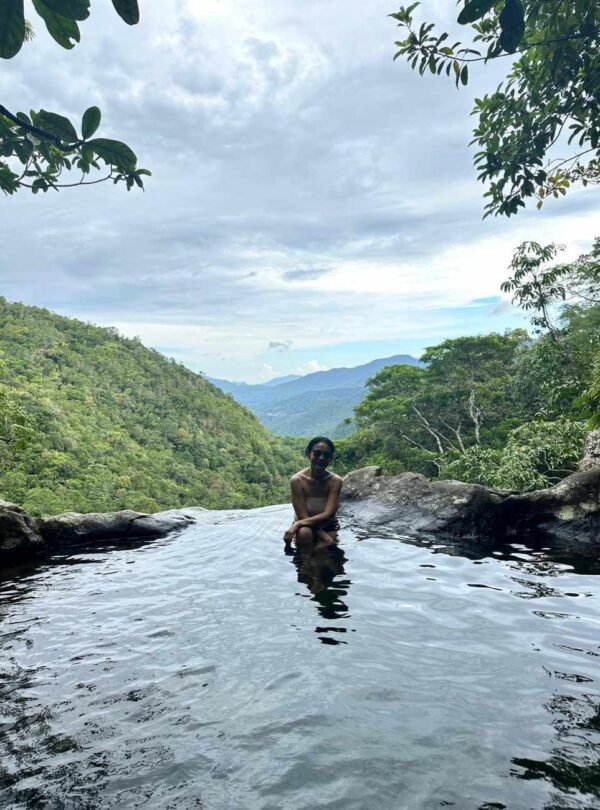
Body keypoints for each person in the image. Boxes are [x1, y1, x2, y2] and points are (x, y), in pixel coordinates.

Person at [283, 436, 343, 551]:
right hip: (304, 524)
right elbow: (302, 516)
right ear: (308, 453)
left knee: (324, 558)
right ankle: (305, 564)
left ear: (331, 458)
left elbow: (329, 514)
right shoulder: (297, 480)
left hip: (328, 525)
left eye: (326, 455)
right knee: (305, 533)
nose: (321, 458)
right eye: (317, 453)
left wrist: (297, 524)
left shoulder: (335, 481)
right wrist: (324, 537)